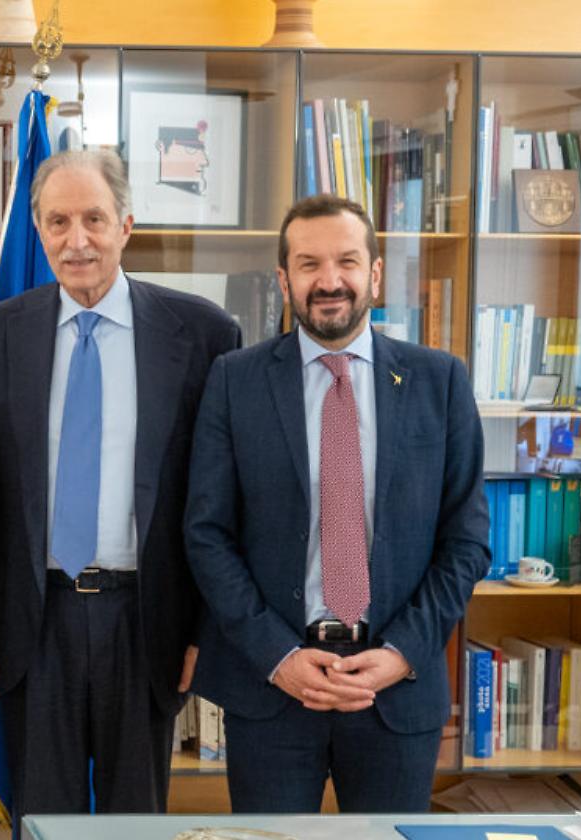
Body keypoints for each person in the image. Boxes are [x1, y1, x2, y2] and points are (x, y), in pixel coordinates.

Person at [184, 194, 489, 812]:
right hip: (273, 689)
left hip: (393, 693)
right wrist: (280, 656)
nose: (329, 281)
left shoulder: (441, 380)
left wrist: (400, 654)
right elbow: (206, 534)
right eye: (308, 264)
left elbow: (467, 542)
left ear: (375, 273)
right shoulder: (233, 380)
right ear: (283, 279)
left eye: (347, 261)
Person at [0, 148, 241, 819]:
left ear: (127, 225)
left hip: (146, 620)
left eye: (94, 218)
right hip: (36, 622)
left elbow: (221, 497)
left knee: (134, 821)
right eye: (58, 222)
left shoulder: (202, 334)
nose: (76, 239)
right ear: (38, 231)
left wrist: (205, 629)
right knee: (43, 818)